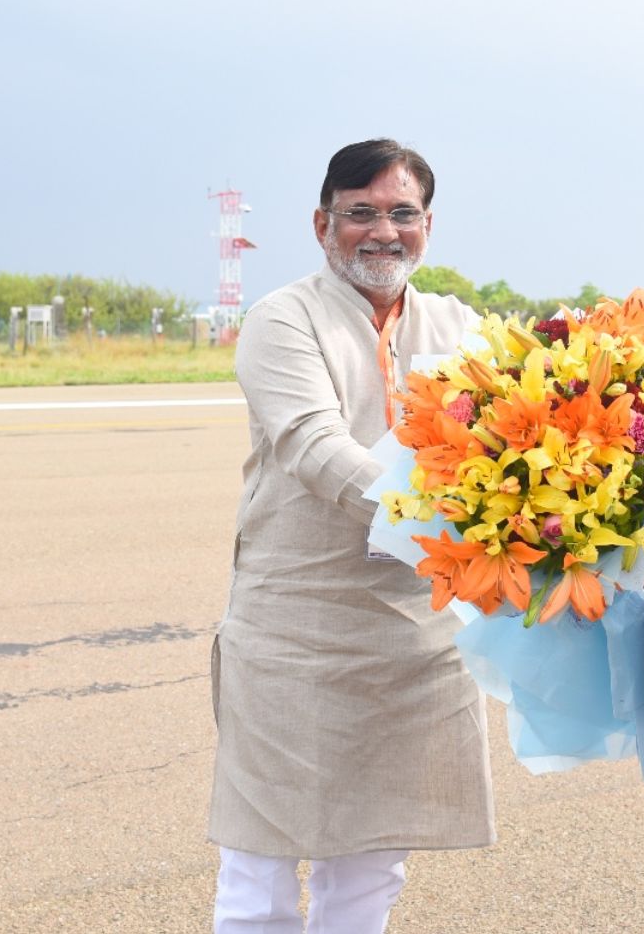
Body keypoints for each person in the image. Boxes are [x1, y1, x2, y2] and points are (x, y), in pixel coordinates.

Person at [208, 139, 494, 933]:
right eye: (361, 213)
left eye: (402, 213)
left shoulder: (456, 326)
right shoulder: (282, 320)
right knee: (260, 867)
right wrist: (455, 524)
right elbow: (314, 448)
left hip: (415, 639)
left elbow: (509, 440)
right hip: (298, 632)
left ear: (427, 225)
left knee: (371, 869)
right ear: (321, 224)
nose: (383, 231)